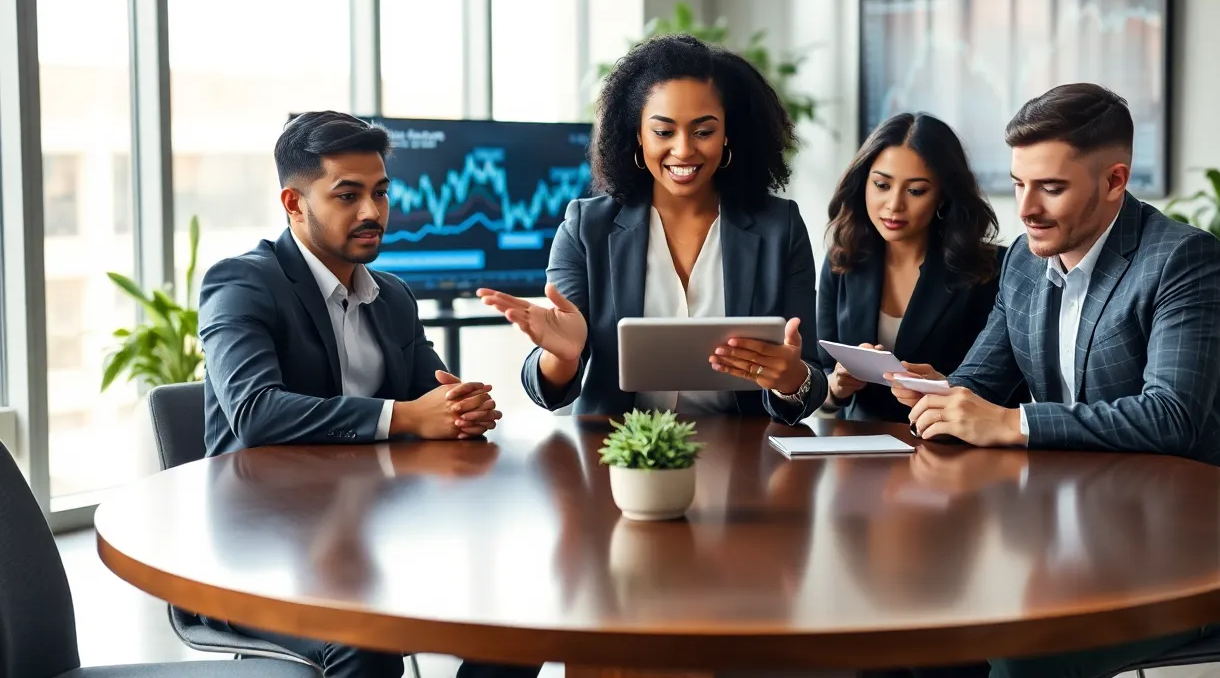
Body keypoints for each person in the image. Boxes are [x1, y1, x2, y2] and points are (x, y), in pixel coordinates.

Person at [889, 83, 1220, 678]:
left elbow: (1172, 417)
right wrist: (939, 393)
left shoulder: (1182, 259)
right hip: (1061, 529)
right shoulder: (1024, 261)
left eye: (1051, 188)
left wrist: (1011, 422)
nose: (1026, 209)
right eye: (1018, 183)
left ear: (1114, 181)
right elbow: (981, 382)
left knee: (1020, 654)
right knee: (916, 616)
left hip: (1176, 551)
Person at [197, 111, 538, 678]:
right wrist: (405, 416)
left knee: (520, 617)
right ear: (294, 203)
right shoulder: (241, 283)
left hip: (378, 531)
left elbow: (435, 399)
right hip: (261, 549)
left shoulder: (393, 296)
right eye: (348, 195)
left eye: (380, 192)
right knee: (366, 642)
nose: (372, 213)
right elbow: (256, 413)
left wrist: (462, 408)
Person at [478, 34, 828, 422]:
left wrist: (790, 379)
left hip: (744, 446)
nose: (684, 149)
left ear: (728, 134)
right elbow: (547, 392)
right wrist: (562, 356)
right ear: (638, 135)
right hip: (621, 447)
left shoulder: (780, 227)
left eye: (703, 131)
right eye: (664, 132)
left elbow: (811, 380)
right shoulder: (586, 228)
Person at [817, 112, 1027, 422]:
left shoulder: (991, 268)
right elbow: (821, 373)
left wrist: (946, 387)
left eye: (915, 191)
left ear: (942, 196)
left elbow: (1008, 388)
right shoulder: (844, 257)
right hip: (859, 441)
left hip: (950, 443)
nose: (894, 205)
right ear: (864, 184)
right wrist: (836, 386)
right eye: (882, 185)